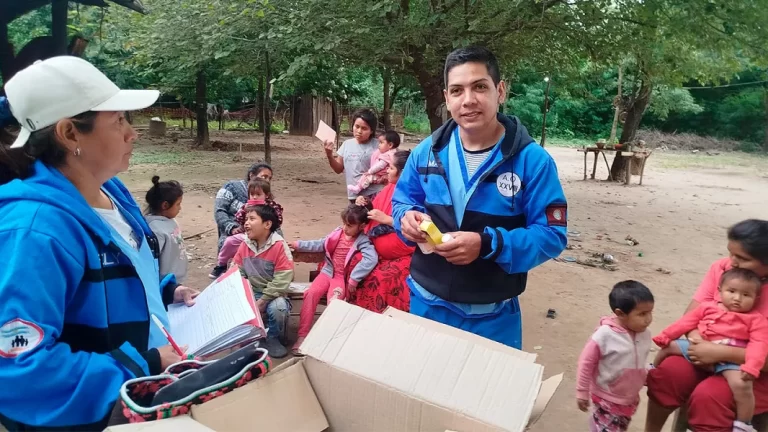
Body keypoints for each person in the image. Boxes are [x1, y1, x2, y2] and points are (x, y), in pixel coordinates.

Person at [0, 56, 199, 431]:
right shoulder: (35, 230)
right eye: (119, 120)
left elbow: (110, 280)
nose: (132, 133)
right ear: (70, 133)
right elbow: (15, 366)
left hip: (147, 395)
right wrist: (147, 364)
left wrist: (166, 291)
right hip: (104, 413)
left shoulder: (112, 191)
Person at [391, 46, 568, 348]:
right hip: (425, 303)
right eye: (457, 90)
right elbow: (402, 202)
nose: (468, 100)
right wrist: (405, 219)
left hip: (492, 316)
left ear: (500, 91)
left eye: (480, 87)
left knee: (487, 394)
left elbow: (552, 235)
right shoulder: (426, 152)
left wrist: (489, 244)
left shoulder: (532, 162)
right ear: (447, 98)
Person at [646, 219, 768, 432]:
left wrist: (719, 352)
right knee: (669, 374)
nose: (732, 262)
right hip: (704, 349)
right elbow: (692, 315)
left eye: (742, 258)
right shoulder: (722, 269)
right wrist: (699, 342)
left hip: (754, 371)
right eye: (731, 253)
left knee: (709, 397)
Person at [291, 204, 378, 352]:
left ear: (362, 226)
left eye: (350, 225)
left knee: (334, 304)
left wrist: (354, 278)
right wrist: (298, 244)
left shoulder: (363, 241)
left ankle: (326, 340)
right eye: (344, 223)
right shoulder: (337, 232)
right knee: (311, 294)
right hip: (327, 272)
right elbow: (320, 244)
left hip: (340, 278)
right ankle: (303, 335)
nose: (345, 227)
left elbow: (371, 258)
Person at [576, 281, 654, 432]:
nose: (648, 319)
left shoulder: (644, 334)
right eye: (642, 314)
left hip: (629, 398)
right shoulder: (605, 335)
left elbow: (637, 360)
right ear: (620, 314)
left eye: (650, 312)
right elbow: (586, 362)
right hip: (606, 397)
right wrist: (582, 391)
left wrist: (644, 374)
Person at [352, 150, 415, 312]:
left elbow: (416, 227)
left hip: (405, 251)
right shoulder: (390, 187)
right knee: (350, 259)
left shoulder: (415, 193)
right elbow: (376, 207)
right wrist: (365, 202)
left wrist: (386, 219)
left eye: (391, 168)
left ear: (402, 173)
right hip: (377, 247)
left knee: (382, 279)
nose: (387, 170)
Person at [232, 202, 293, 359]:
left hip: (273, 294)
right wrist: (244, 294)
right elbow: (237, 272)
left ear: (267, 224)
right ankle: (248, 338)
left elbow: (282, 279)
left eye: (252, 219)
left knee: (279, 308)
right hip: (251, 290)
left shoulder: (279, 246)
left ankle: (272, 338)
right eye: (246, 219)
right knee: (233, 304)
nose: (246, 223)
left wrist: (263, 300)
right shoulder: (245, 244)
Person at [211, 177, 283, 279]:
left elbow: (278, 220)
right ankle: (221, 265)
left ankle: (270, 273)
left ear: (266, 195)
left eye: (258, 195)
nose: (254, 197)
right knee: (230, 242)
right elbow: (239, 217)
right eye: (252, 194)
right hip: (249, 235)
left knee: (275, 248)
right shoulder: (246, 206)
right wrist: (240, 226)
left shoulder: (272, 207)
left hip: (266, 236)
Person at [213, 162, 273, 270]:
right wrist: (231, 228)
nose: (267, 180)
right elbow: (219, 210)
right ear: (251, 175)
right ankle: (221, 268)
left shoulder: (266, 198)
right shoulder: (231, 187)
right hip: (233, 232)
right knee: (230, 243)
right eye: (264, 176)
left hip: (259, 233)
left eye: (269, 178)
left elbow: (273, 219)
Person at [323, 109, 383, 202]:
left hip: (374, 194)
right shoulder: (347, 144)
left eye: (364, 128)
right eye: (357, 126)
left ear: (371, 130)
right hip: (353, 195)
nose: (359, 131)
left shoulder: (379, 146)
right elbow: (338, 169)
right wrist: (329, 154)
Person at [145, 176, 188, 284]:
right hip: (165, 284)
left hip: (176, 280)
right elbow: (150, 261)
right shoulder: (155, 229)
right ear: (165, 205)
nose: (180, 208)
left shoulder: (170, 221)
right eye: (178, 204)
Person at [347, 130, 400, 195]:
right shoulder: (395, 153)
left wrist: (370, 171)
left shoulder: (387, 155)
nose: (379, 145)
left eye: (381, 143)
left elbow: (380, 165)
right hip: (384, 177)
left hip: (379, 175)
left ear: (390, 145)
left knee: (366, 177)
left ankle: (358, 187)